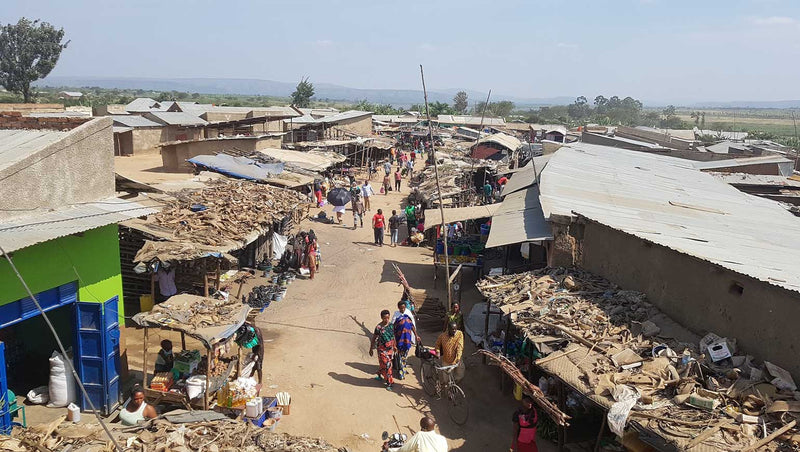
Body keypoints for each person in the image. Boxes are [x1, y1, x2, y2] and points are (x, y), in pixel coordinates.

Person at [369, 310, 396, 391]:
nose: (386, 319)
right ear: (381, 318)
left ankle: (381, 375)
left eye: (388, 318)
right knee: (386, 364)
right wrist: (371, 348)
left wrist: (395, 346)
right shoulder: (378, 327)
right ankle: (389, 382)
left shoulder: (391, 325)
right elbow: (374, 338)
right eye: (385, 318)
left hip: (390, 349)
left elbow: (393, 336)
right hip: (381, 349)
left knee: (385, 364)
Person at [392, 301, 420, 370]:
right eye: (401, 308)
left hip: (407, 337)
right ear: (398, 308)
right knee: (399, 351)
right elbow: (392, 326)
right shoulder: (396, 314)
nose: (402, 309)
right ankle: (399, 366)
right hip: (399, 337)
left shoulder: (408, 313)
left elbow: (412, 326)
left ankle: (402, 365)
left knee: (406, 351)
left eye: (404, 308)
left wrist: (416, 335)